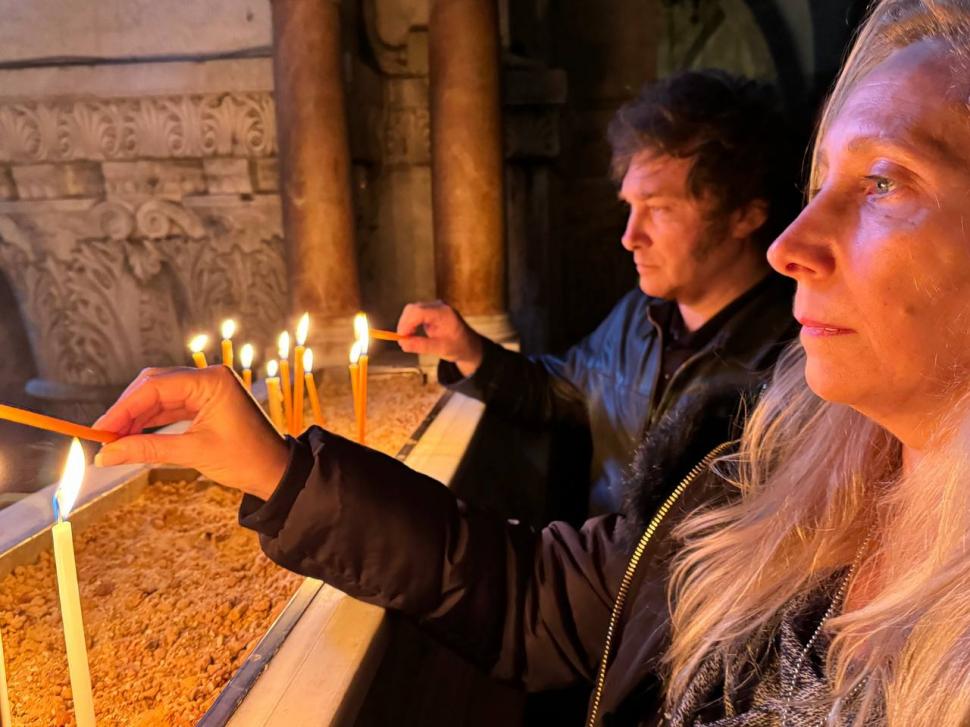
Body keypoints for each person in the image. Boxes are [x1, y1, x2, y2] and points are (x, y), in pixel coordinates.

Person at [93, 1, 970, 723]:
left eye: (885, 182)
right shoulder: (763, 477)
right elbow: (553, 561)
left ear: (738, 211)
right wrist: (278, 469)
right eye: (819, 187)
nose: (793, 244)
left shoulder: (759, 388)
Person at [396, 69, 800, 514]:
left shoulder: (791, 364)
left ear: (746, 215)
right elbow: (565, 390)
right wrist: (468, 349)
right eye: (630, 207)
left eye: (660, 209)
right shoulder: (640, 315)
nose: (630, 236)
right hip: (596, 566)